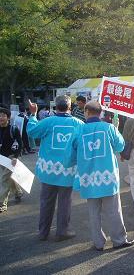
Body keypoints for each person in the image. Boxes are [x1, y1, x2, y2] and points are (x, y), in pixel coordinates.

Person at [65, 101, 134, 251]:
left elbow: (71, 154)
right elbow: (120, 146)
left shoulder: (79, 131)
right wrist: (115, 128)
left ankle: (98, 243)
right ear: (100, 112)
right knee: (114, 210)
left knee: (93, 212)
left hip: (87, 178)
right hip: (107, 177)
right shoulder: (108, 128)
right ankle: (119, 240)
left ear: (87, 112)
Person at [27, 95, 84, 241]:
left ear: (55, 107)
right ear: (70, 107)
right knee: (65, 201)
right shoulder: (78, 123)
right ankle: (62, 231)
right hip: (68, 169)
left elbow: (32, 131)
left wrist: (33, 114)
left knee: (46, 201)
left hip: (48, 170)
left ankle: (43, 232)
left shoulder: (48, 121)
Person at [0, 108, 23, 213]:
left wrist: (15, 157)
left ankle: (2, 203)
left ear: (8, 117)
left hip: (10, 157)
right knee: (9, 178)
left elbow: (20, 143)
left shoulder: (13, 129)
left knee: (4, 180)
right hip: (1, 158)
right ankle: (18, 192)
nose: (1, 117)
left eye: (3, 115)